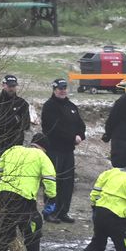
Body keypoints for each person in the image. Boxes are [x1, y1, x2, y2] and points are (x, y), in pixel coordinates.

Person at [0, 133, 57, 251]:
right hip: (24, 197)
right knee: (33, 227)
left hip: (4, 195)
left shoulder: (12, 150)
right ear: (44, 148)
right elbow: (50, 179)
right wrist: (51, 197)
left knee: (6, 225)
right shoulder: (41, 156)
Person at [41, 78, 86, 224]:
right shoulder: (49, 106)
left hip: (68, 151)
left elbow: (81, 125)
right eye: (60, 88)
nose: (63, 91)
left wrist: (80, 135)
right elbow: (52, 129)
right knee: (53, 182)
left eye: (64, 88)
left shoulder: (71, 106)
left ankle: (63, 211)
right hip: (54, 149)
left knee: (67, 184)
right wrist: (72, 138)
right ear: (54, 89)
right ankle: (49, 212)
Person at [0, 74, 31, 187]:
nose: (12, 88)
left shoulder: (22, 103)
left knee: (12, 177)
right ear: (3, 85)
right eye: (9, 86)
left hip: (15, 146)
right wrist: (15, 119)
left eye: (14, 86)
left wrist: (11, 121)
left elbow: (26, 125)